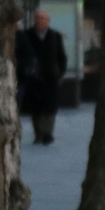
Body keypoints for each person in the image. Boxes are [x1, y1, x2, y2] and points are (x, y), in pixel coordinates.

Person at [16, 10, 68, 144]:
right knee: (36, 107)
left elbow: (61, 56)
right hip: (33, 77)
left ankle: (47, 133)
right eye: (38, 19)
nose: (40, 21)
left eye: (43, 19)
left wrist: (60, 73)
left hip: (51, 77)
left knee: (50, 107)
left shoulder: (54, 36)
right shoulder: (27, 35)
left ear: (48, 21)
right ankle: (38, 133)